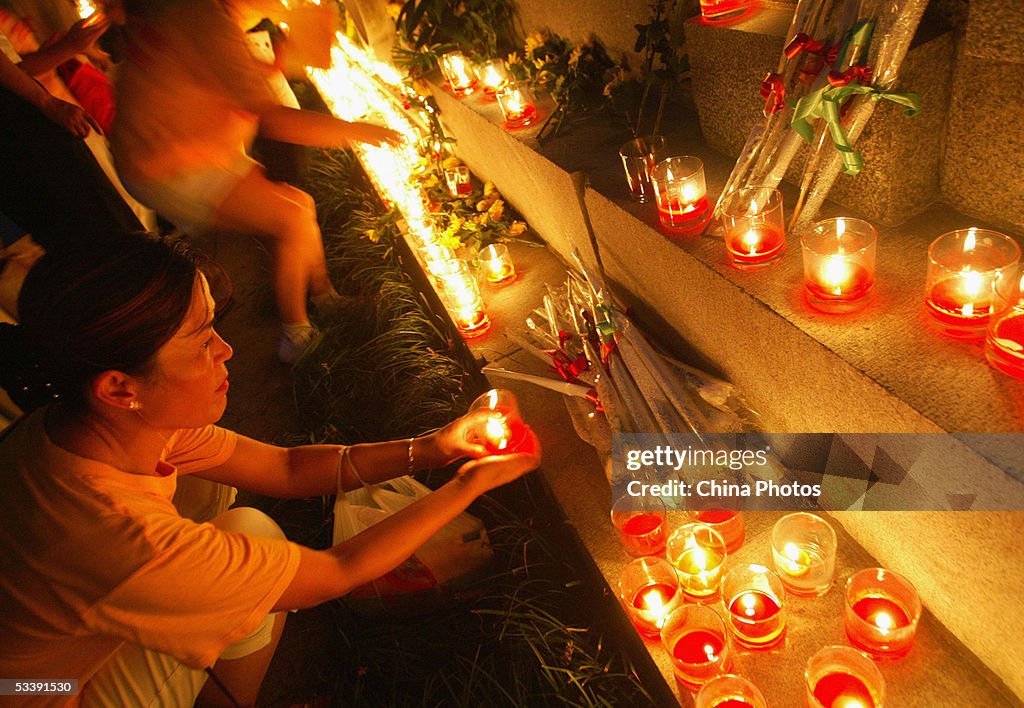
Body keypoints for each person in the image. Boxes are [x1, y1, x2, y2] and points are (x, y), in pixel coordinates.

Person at [0, 233, 542, 706]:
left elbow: (283, 469)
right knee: (250, 542)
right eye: (200, 339)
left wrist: (433, 448)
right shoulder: (123, 540)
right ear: (119, 387)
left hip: (32, 660)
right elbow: (336, 573)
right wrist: (472, 481)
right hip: (35, 695)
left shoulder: (85, 425)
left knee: (225, 513)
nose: (227, 350)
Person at [109, 0, 403, 363]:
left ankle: (326, 301)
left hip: (195, 149)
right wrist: (355, 130)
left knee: (300, 205)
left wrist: (295, 42)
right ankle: (297, 340)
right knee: (289, 219)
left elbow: (254, 75)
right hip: (169, 164)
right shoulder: (205, 19)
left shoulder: (209, 17)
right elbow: (272, 118)